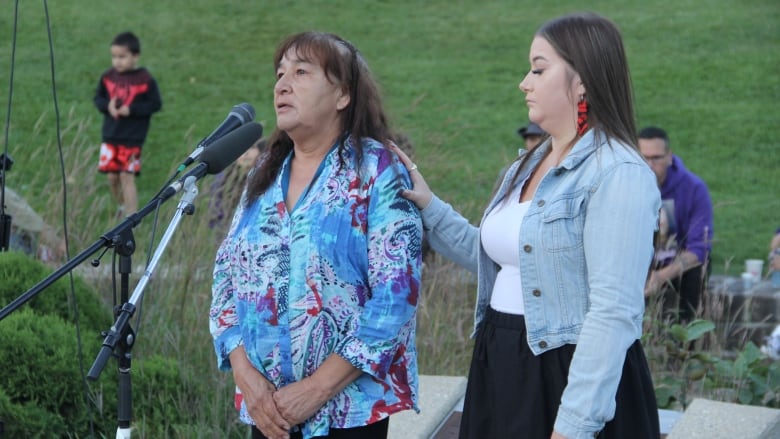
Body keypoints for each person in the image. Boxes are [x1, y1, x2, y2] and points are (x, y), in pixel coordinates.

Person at [393, 13, 661, 439]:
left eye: (538, 68)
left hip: (566, 375)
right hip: (502, 362)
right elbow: (501, 259)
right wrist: (429, 206)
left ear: (584, 81)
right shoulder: (525, 165)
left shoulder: (618, 173)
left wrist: (574, 424)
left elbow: (614, 311)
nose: (524, 82)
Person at [209, 31, 423, 439]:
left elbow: (396, 297)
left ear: (342, 95)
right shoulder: (263, 173)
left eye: (301, 72)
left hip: (348, 415)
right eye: (279, 73)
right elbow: (225, 278)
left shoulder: (377, 171)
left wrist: (316, 389)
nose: (282, 84)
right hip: (267, 413)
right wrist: (245, 375)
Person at [639, 126, 714, 322]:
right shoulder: (625, 187)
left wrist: (660, 276)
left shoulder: (693, 188)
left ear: (669, 157)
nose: (649, 165)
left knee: (698, 269)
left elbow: (700, 248)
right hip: (638, 262)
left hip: (676, 265)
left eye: (656, 158)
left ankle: (687, 342)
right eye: (644, 158)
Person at [94, 31, 162, 216]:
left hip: (132, 137)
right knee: (112, 178)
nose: (117, 61)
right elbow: (98, 98)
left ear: (135, 56)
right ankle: (122, 206)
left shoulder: (145, 79)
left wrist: (131, 110)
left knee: (126, 176)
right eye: (114, 56)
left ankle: (132, 216)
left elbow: (155, 104)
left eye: (122, 57)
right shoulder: (107, 77)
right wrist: (107, 106)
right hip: (110, 135)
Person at [208, 137, 266, 237]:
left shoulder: (268, 178)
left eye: (251, 148)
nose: (245, 153)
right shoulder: (224, 180)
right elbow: (215, 212)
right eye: (241, 149)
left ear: (261, 151)